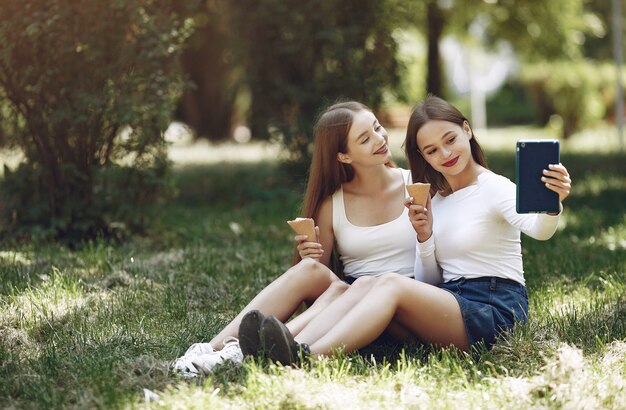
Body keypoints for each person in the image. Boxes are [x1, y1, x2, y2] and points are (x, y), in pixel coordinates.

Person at [243, 95, 572, 365]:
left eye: (450, 140)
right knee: (363, 286)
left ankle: (306, 357)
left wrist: (551, 204)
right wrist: (425, 237)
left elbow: (539, 230)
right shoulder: (437, 198)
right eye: (431, 150)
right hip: (451, 299)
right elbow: (429, 280)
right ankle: (283, 344)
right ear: (423, 157)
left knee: (387, 283)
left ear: (467, 131)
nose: (445, 154)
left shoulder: (493, 187)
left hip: (495, 308)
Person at [172, 101, 423, 376]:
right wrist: (310, 257)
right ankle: (213, 349)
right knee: (310, 270)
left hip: (401, 304)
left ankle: (256, 351)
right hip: (349, 301)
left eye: (377, 127)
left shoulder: (417, 186)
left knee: (358, 287)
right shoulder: (332, 205)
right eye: (365, 139)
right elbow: (325, 282)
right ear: (343, 156)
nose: (380, 138)